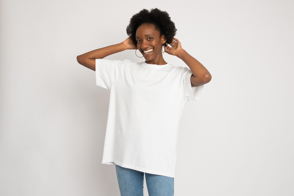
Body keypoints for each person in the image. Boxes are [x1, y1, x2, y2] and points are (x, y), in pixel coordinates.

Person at [77, 8, 211, 196]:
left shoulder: (176, 76)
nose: (143, 45)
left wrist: (180, 53)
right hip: (126, 156)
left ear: (163, 38)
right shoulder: (123, 70)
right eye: (139, 40)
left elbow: (204, 76)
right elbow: (83, 59)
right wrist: (123, 46)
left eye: (149, 38)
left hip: (159, 159)